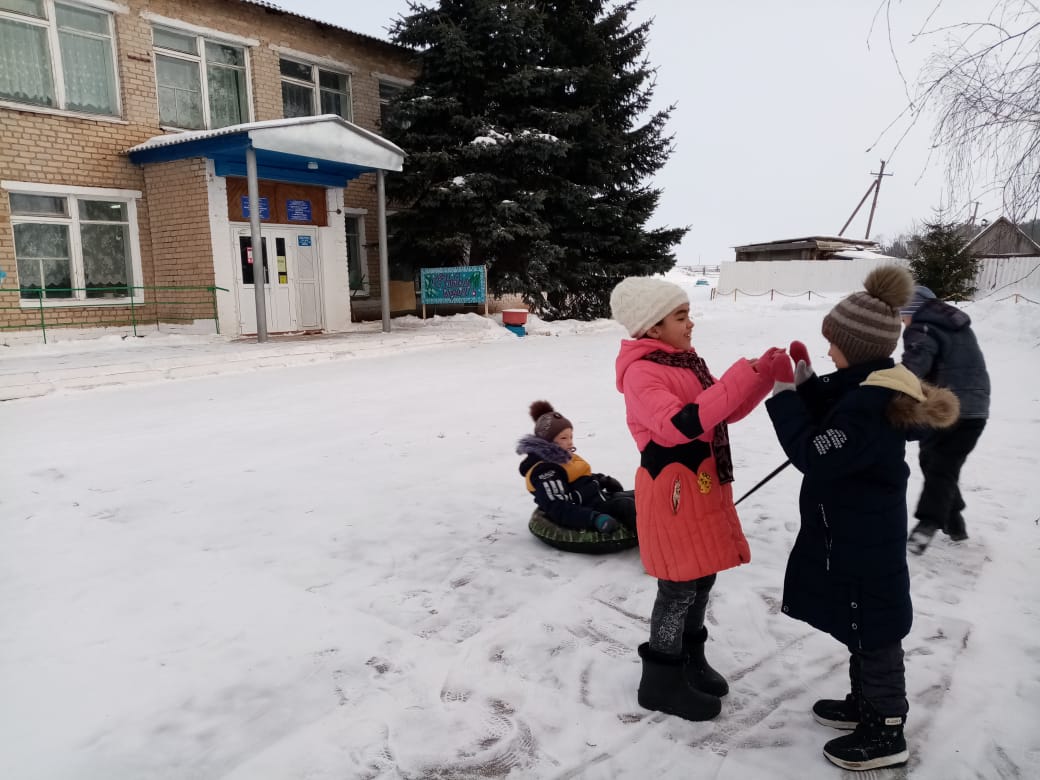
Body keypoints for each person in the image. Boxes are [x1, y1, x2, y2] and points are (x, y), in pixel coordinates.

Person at [765, 266, 959, 771]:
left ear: (855, 347)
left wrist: (784, 399)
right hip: (856, 534)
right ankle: (864, 704)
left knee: (874, 632)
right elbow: (839, 405)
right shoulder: (871, 388)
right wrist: (808, 384)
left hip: (861, 540)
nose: (828, 351)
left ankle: (885, 728)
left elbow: (817, 452)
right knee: (860, 623)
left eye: (833, 344)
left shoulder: (870, 408)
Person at [609, 276, 786, 722]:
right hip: (671, 491)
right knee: (677, 586)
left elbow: (721, 411)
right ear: (653, 326)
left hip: (701, 486)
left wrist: (759, 377)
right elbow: (682, 425)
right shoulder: (642, 373)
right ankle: (661, 680)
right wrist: (739, 377)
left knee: (702, 576)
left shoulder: (686, 362)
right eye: (681, 316)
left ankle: (690, 658)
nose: (691, 324)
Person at [899, 285, 991, 554]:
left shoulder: (923, 328)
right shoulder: (955, 324)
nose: (902, 322)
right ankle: (954, 521)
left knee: (941, 465)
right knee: (935, 461)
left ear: (912, 309)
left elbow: (914, 367)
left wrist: (889, 387)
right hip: (977, 408)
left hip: (949, 410)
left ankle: (927, 525)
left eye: (902, 315)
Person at [516, 401, 637, 534]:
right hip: (587, 509)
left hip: (598, 498)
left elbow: (579, 479)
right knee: (627, 506)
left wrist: (603, 480)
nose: (570, 442)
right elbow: (558, 507)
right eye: (563, 438)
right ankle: (647, 539)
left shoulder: (562, 457)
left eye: (571, 437)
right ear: (547, 441)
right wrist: (594, 518)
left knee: (640, 495)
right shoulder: (545, 471)